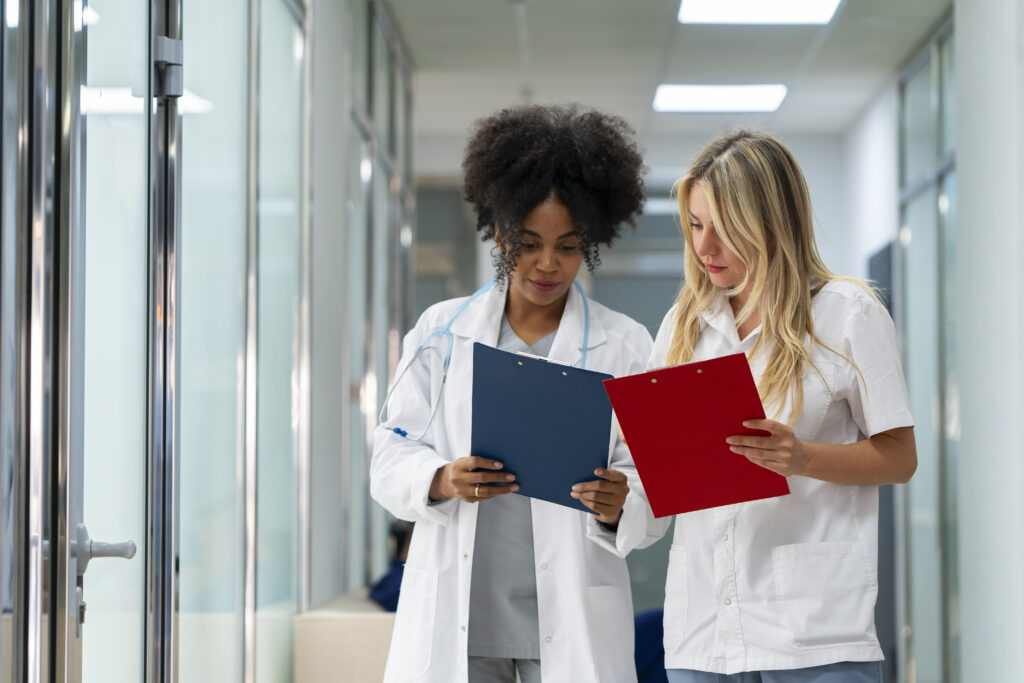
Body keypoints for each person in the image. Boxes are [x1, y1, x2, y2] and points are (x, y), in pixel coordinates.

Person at [371, 104, 663, 683]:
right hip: (462, 621)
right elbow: (388, 453)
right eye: (529, 243)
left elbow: (654, 487)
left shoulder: (627, 344)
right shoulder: (441, 332)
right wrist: (442, 478)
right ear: (500, 232)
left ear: (591, 244)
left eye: (569, 245)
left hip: (571, 621)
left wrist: (622, 502)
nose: (548, 264)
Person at [649, 131, 917, 682]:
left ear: (772, 222)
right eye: (696, 226)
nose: (705, 248)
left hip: (814, 634)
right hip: (703, 631)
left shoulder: (848, 315)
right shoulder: (683, 325)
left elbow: (899, 457)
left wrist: (803, 459)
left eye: (724, 228)